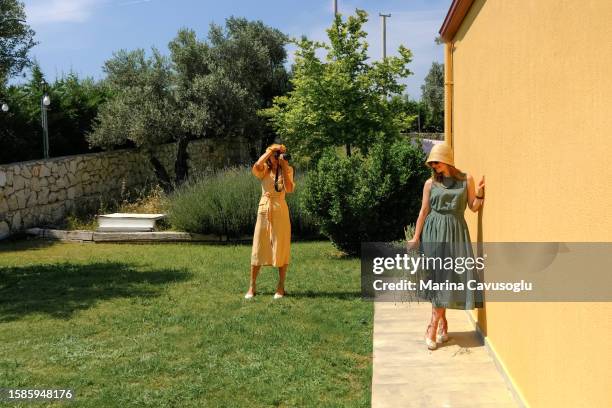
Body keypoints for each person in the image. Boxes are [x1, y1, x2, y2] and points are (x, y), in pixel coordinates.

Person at [407, 143, 485, 350]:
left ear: (448, 160)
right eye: (431, 163)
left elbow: (473, 207)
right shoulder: (429, 184)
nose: (434, 166)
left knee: (449, 278)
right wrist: (416, 237)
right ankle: (433, 327)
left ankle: (441, 325)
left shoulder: (465, 179)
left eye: (437, 162)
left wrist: (479, 194)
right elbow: (423, 212)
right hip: (434, 232)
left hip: (457, 232)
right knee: (440, 279)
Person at [245, 143, 295, 300]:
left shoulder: (288, 169)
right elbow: (257, 165)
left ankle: (281, 287)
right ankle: (252, 286)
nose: (277, 156)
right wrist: (270, 151)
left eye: (279, 154)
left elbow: (289, 188)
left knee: (281, 246)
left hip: (280, 209)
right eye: (276, 154)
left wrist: (284, 166)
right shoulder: (264, 170)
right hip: (264, 209)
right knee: (258, 246)